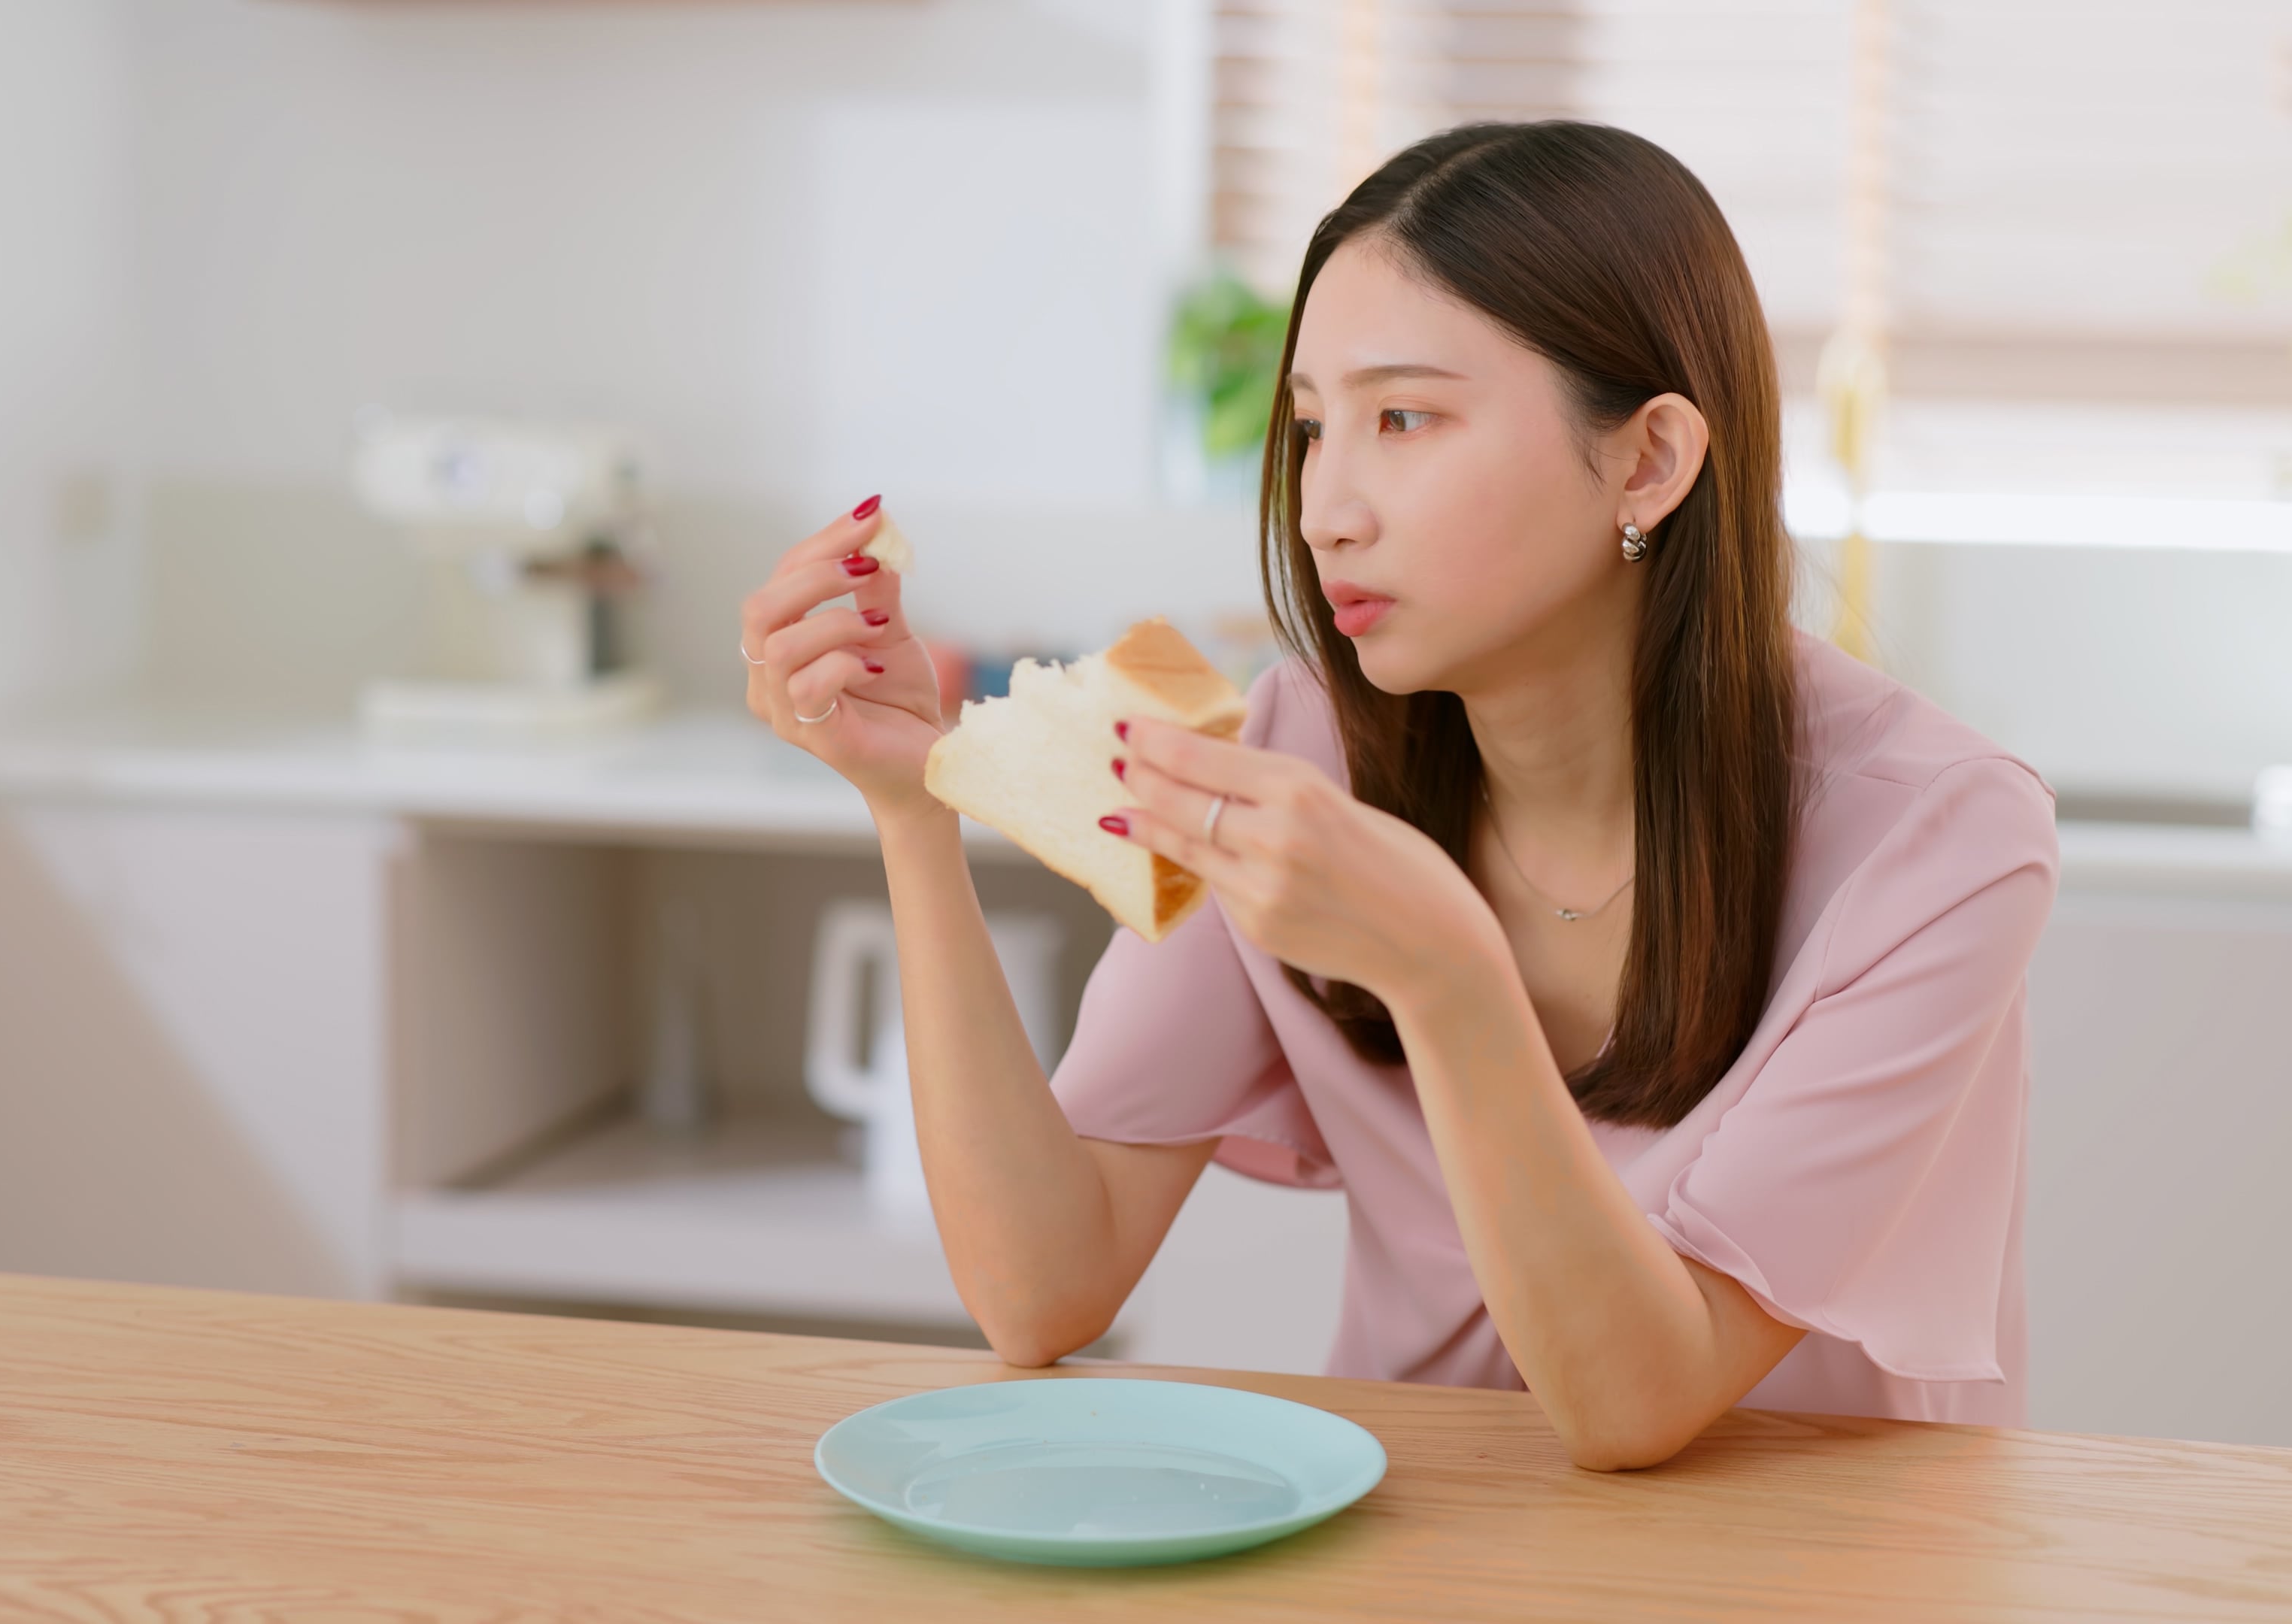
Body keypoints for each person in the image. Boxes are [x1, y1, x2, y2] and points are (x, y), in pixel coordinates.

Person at [735, 121, 2057, 1471]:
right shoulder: (1302, 749)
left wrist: (1445, 975)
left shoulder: (1938, 838)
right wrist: (913, 813)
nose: (1324, 511)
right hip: (1423, 1550)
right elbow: (1039, 1286)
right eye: (1313, 427)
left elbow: (1640, 1401)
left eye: (1405, 418)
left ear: (1648, 462)